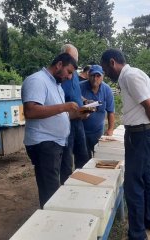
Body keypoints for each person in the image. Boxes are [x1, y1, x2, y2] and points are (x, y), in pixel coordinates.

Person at [101, 49, 150, 240]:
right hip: (141, 133)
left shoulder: (130, 76)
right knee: (145, 176)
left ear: (113, 62)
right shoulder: (129, 76)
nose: (106, 74)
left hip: (140, 135)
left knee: (133, 184)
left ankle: (137, 233)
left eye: (106, 69)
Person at [21, 53, 79, 208]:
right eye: (69, 71)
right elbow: (31, 111)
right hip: (44, 143)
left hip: (57, 142)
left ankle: (56, 216)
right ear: (59, 65)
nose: (69, 77)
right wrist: (65, 106)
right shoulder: (37, 80)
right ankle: (50, 222)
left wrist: (79, 113)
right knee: (50, 190)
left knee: (55, 185)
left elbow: (56, 113)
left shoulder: (56, 85)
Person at [60, 44, 90, 180]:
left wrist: (84, 102)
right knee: (66, 159)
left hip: (79, 122)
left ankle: (81, 183)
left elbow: (75, 93)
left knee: (83, 154)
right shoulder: (60, 75)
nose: (74, 62)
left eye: (76, 60)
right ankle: (65, 189)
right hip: (66, 123)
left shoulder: (75, 75)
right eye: (71, 58)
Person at [80, 64, 115, 159]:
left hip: (98, 131)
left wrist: (110, 129)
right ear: (88, 75)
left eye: (98, 76)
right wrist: (85, 105)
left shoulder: (106, 90)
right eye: (93, 75)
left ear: (102, 77)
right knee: (83, 159)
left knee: (98, 157)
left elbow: (111, 111)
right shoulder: (80, 87)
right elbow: (74, 106)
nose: (95, 78)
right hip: (81, 131)